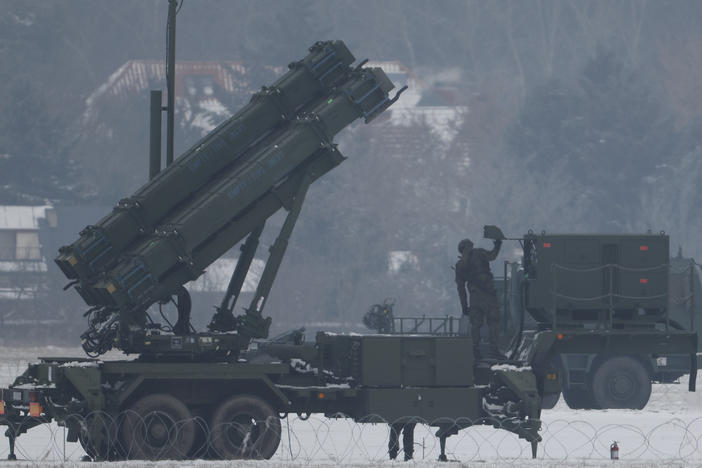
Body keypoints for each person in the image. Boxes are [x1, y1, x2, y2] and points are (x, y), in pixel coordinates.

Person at [455, 236, 502, 358]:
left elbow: (461, 289)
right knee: (493, 322)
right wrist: (498, 244)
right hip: (488, 294)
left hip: (474, 297)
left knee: (476, 324)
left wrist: (464, 306)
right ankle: (494, 350)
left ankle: (475, 349)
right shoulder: (479, 253)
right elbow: (493, 256)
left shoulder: (460, 265)